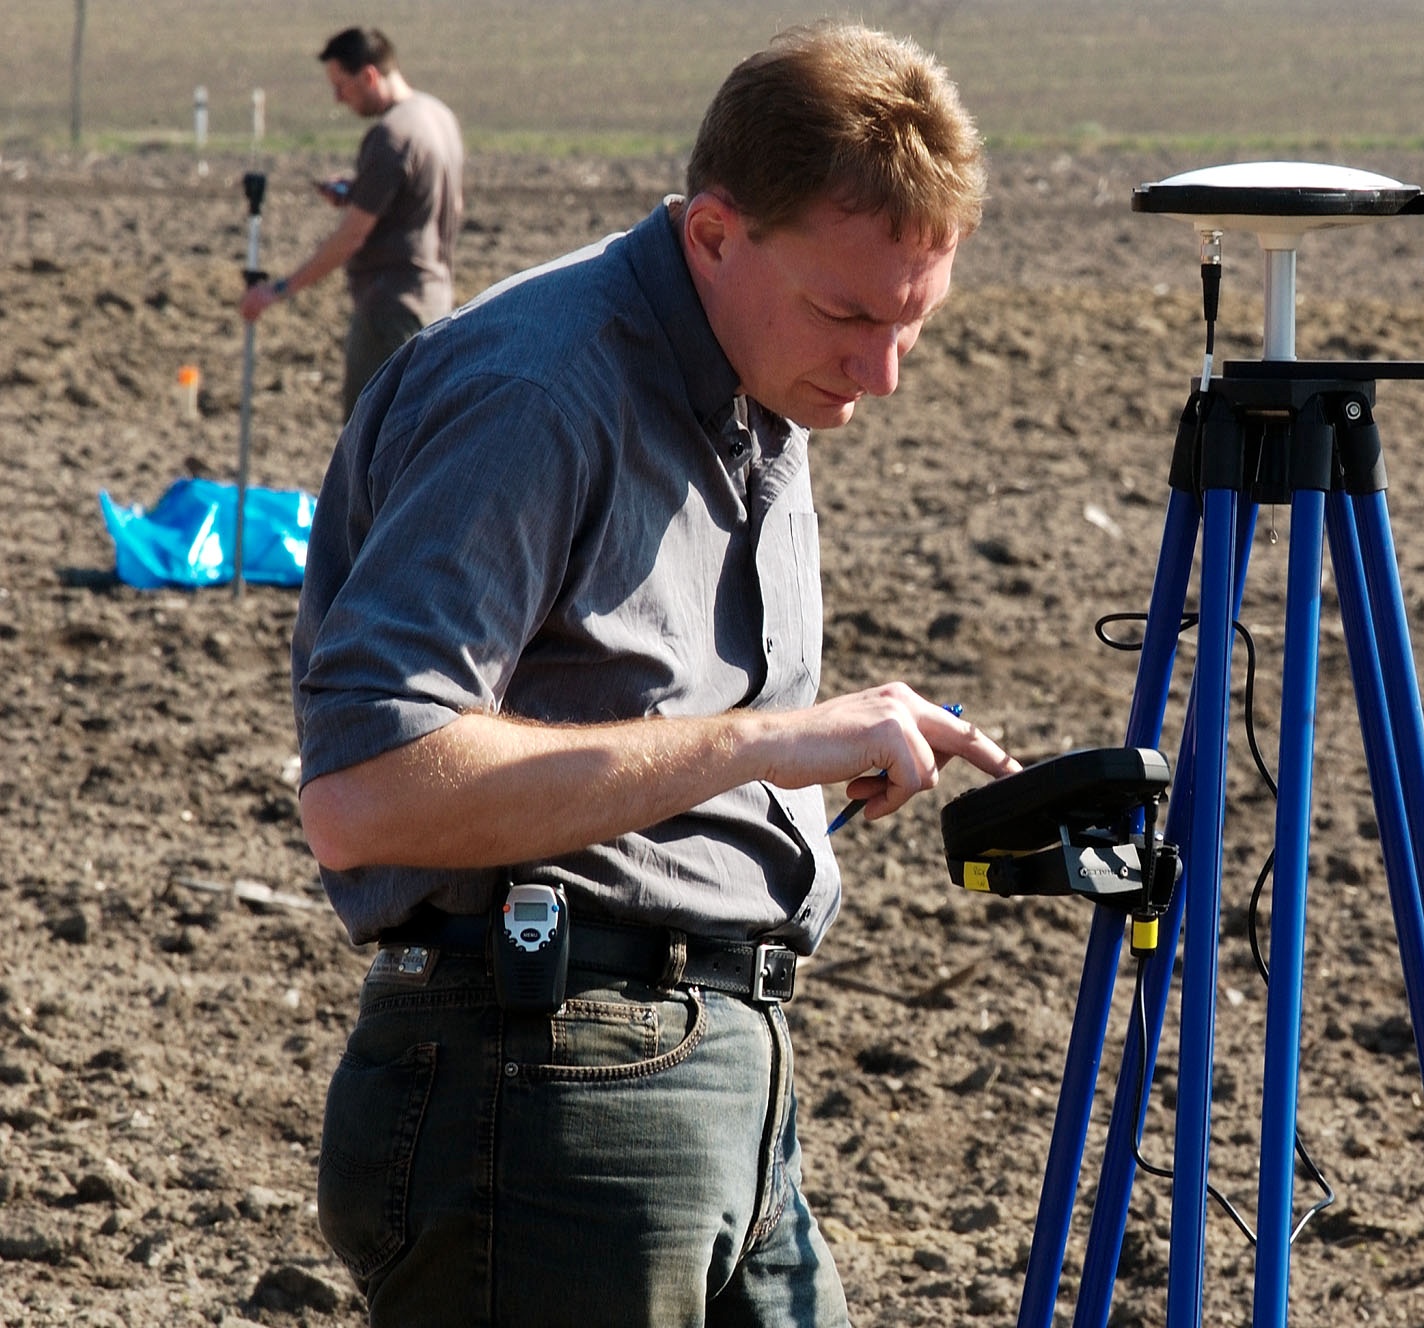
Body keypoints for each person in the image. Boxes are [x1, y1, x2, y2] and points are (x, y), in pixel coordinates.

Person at [290, 22, 1015, 1327]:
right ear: (716, 235)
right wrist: (753, 745)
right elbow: (368, 792)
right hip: (550, 1098)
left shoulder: (761, 378)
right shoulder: (540, 393)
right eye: (849, 314)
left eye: (913, 323)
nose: (881, 375)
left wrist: (804, 755)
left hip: (725, 1079)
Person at [239, 27, 464, 418]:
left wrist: (279, 289)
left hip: (389, 315)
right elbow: (425, 200)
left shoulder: (391, 136)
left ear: (369, 76)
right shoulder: (437, 117)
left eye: (341, 85)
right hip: (435, 304)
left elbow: (351, 236)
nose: (338, 98)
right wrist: (358, 191)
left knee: (371, 445)